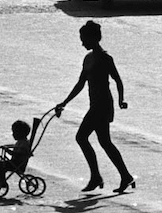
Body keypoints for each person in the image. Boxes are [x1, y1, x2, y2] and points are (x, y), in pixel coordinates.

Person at [56, 21, 134, 194]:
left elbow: (117, 80)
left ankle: (97, 176)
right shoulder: (88, 58)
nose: (82, 43)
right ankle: (124, 176)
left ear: (93, 38)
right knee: (105, 142)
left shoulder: (105, 58)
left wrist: (121, 100)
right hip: (96, 105)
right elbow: (80, 83)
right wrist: (64, 102)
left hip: (103, 105)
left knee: (82, 137)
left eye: (84, 39)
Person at [0, 120, 31, 190]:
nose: (13, 134)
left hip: (18, 164)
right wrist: (6, 146)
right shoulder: (20, 142)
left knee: (0, 165)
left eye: (14, 132)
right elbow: (14, 146)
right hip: (15, 162)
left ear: (20, 133)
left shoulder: (24, 144)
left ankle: (0, 181)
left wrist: (8, 151)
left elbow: (18, 154)